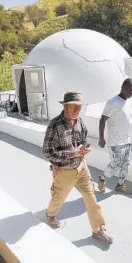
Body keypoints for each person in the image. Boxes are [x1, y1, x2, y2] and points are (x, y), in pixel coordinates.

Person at [43, 92, 113, 244]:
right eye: (73, 106)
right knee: (58, 199)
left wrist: (84, 148)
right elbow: (48, 152)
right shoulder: (55, 125)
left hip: (82, 168)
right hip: (64, 172)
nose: (76, 110)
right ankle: (50, 214)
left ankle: (98, 230)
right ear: (65, 106)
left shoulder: (80, 121)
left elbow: (83, 139)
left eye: (79, 107)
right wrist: (73, 153)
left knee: (92, 199)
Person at [97, 78, 132, 194]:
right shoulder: (113, 102)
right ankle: (102, 179)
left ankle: (120, 185)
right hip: (115, 142)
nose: (130, 91)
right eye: (128, 88)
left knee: (125, 166)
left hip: (127, 141)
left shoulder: (129, 103)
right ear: (122, 87)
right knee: (115, 165)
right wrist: (101, 138)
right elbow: (102, 120)